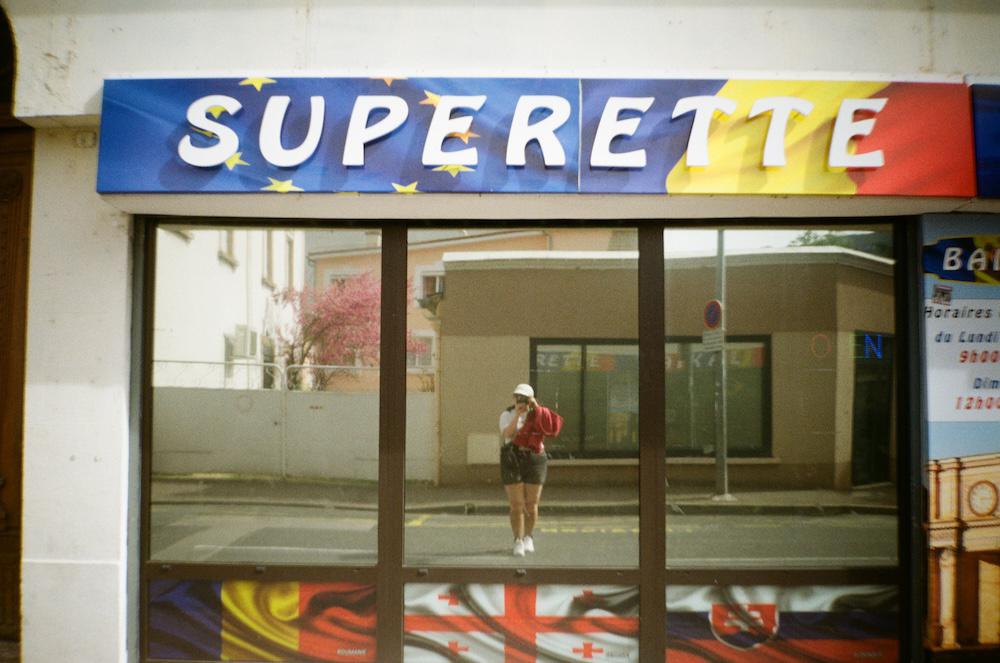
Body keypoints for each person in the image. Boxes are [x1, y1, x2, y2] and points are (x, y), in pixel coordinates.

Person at [498, 383, 563, 557]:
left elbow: (550, 429)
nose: (521, 401)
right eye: (518, 397)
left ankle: (528, 537)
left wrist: (536, 407)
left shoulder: (539, 413)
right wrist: (518, 415)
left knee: (531, 504)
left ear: (531, 398)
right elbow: (507, 434)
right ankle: (517, 540)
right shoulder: (507, 414)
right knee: (516, 504)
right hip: (513, 457)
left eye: (524, 398)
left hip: (535, 458)